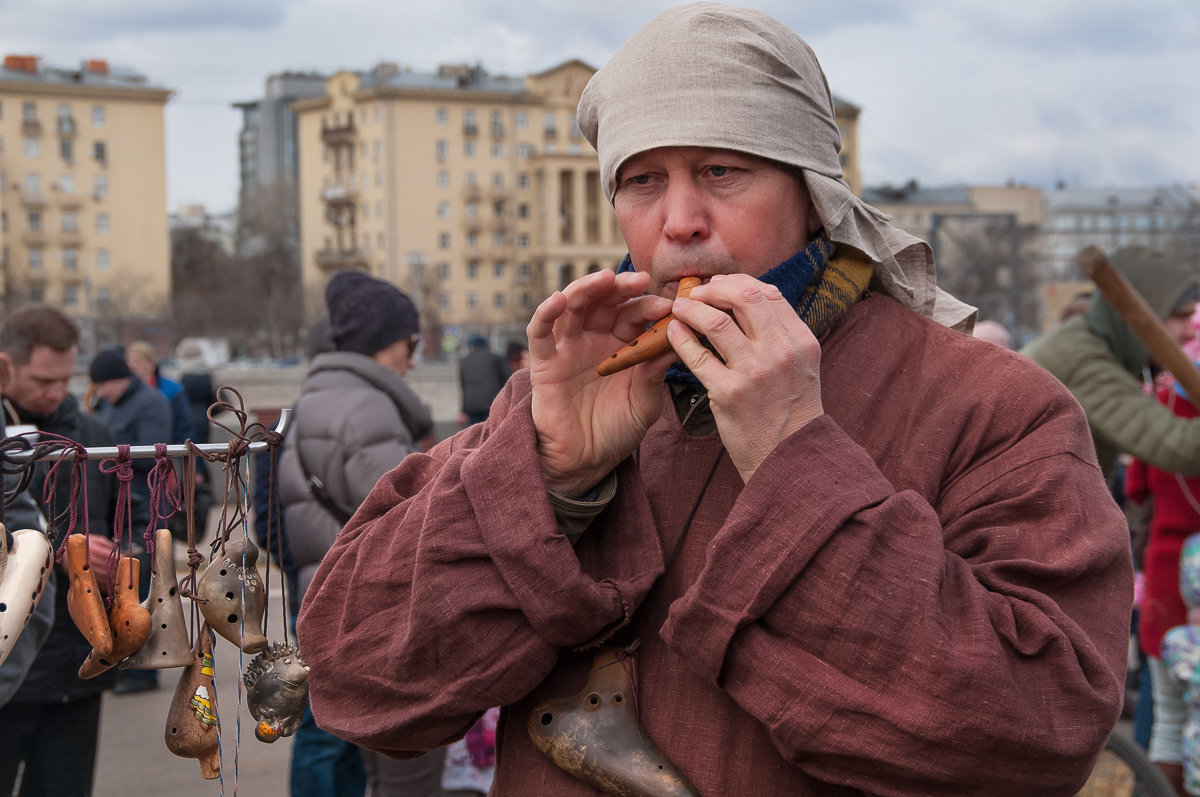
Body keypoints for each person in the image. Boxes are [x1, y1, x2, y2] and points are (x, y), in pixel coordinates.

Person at [297, 5, 1131, 794]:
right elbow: (353, 680)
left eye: (722, 171)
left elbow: (1035, 733)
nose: (680, 220)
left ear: (812, 192)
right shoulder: (565, 396)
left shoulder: (989, 405)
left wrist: (794, 459)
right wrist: (547, 475)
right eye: (643, 181)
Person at [278, 271, 440, 797]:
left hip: (326, 598)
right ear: (384, 342)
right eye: (410, 342)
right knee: (403, 766)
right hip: (378, 613)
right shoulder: (368, 406)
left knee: (347, 746)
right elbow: (415, 524)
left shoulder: (315, 400)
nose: (413, 359)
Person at [0, 304, 120, 795]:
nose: (55, 392)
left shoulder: (93, 435)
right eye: (42, 379)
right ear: (6, 365)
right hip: (8, 672)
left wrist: (120, 561)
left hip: (76, 670)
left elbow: (139, 521)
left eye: (65, 379)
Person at [1023, 247, 1200, 489]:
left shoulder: (1089, 343)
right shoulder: (1079, 358)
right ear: (1144, 314)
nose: (1191, 332)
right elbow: (1181, 448)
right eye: (1181, 316)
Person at [1125, 371, 1200, 792]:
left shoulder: (1164, 402)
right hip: (1178, 574)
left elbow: (1137, 487)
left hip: (1167, 570)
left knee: (1170, 716)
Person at [88, 345, 174, 694]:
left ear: (116, 380)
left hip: (142, 508)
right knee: (119, 587)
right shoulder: (113, 404)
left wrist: (106, 457)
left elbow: (154, 452)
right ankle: (123, 662)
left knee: (140, 589)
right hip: (119, 505)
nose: (100, 394)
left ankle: (143, 670)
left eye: (102, 385)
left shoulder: (151, 402)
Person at [126, 340, 193, 446]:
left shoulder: (172, 388)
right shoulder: (124, 391)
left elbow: (184, 426)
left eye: (138, 361)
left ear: (152, 364)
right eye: (130, 361)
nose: (133, 366)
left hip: (167, 449)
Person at [457, 335, 510, 425]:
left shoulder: (464, 361)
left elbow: (463, 386)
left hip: (472, 403)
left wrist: (463, 410)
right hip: (492, 401)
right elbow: (507, 379)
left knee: (475, 433)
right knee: (492, 431)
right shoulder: (496, 358)